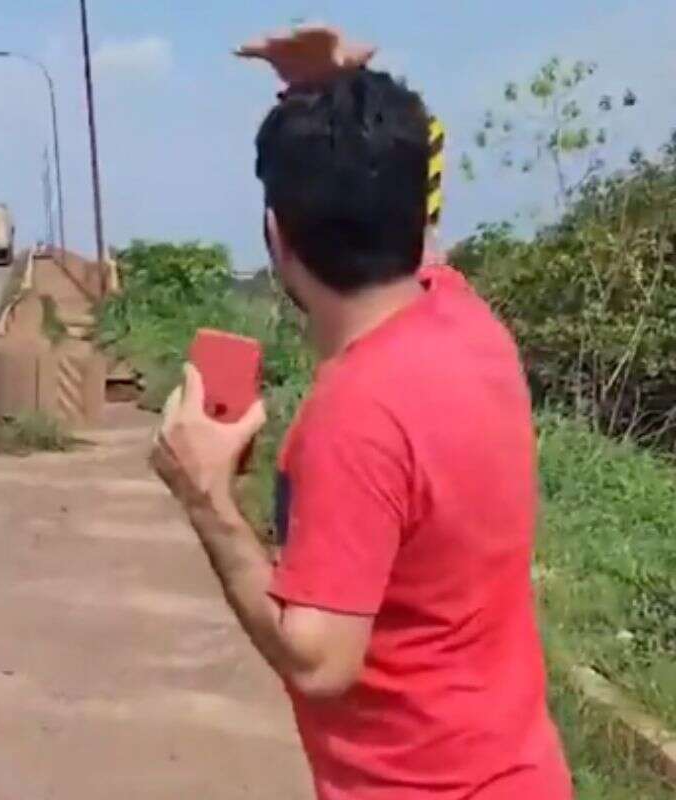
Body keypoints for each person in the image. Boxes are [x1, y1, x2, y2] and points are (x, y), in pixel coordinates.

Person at [151, 26, 572, 800]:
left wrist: (205, 495)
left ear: (276, 237)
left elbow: (319, 661)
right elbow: (413, 207)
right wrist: (334, 96)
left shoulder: (356, 417)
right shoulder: (466, 323)